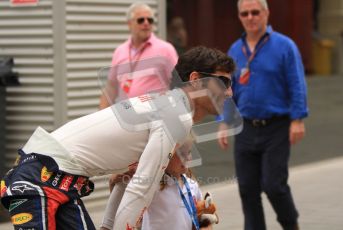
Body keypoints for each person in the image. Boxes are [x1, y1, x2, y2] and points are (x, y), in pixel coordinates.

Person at [1, 46, 235, 230]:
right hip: (39, 177)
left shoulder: (167, 104)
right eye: (223, 82)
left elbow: (128, 180)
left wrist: (108, 226)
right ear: (195, 79)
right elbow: (141, 188)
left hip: (54, 175)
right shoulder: (176, 115)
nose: (229, 92)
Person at [218, 1, 308, 230]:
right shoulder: (234, 50)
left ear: (266, 13)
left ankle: (291, 225)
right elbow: (227, 90)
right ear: (239, 17)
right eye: (245, 13)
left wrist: (297, 120)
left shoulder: (285, 46)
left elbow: (297, 84)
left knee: (273, 185)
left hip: (276, 127)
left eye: (255, 12)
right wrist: (223, 122)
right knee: (247, 188)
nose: (250, 17)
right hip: (245, 128)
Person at [100, 137, 219, 230]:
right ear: (165, 156)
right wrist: (113, 181)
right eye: (182, 153)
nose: (188, 158)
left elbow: (200, 216)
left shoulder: (192, 185)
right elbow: (121, 209)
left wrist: (206, 225)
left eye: (189, 152)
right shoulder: (152, 186)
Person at [99, 2, 178, 109]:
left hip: (156, 117)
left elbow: (178, 84)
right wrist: (101, 114)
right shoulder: (120, 50)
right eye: (141, 20)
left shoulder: (166, 49)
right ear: (129, 24)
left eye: (149, 20)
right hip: (126, 117)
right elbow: (111, 88)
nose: (146, 23)